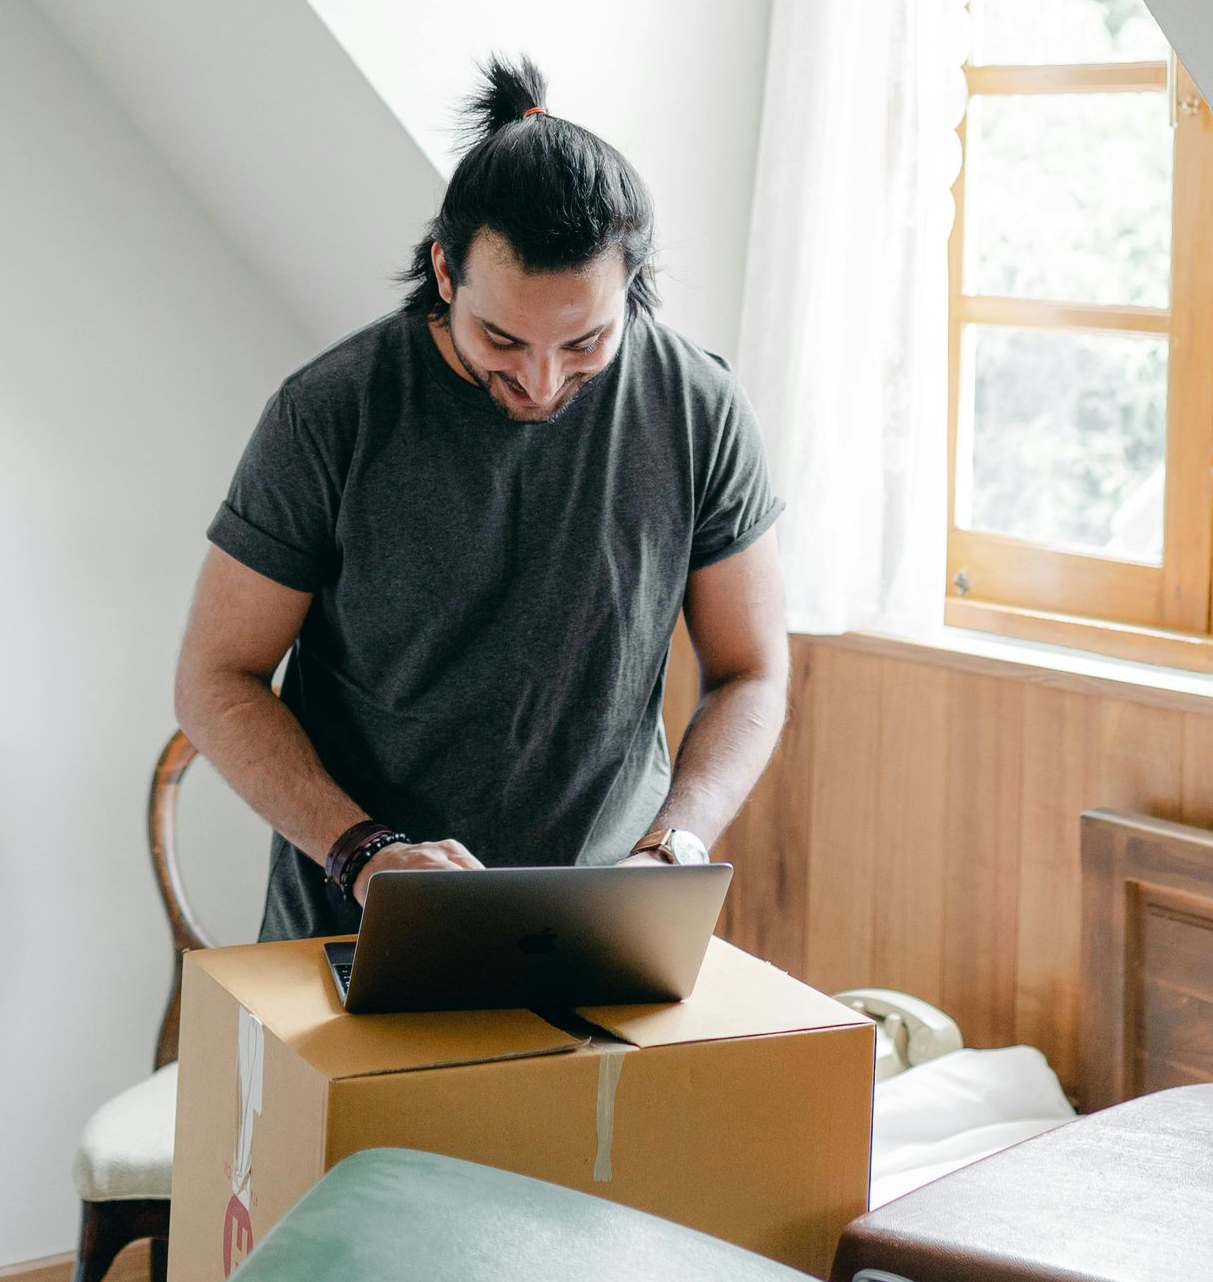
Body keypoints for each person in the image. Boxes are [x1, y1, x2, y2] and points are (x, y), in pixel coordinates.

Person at [175, 55, 789, 936]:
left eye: (585, 342)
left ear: (632, 287)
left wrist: (674, 849)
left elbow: (752, 671)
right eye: (503, 338)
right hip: (353, 922)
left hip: (600, 925)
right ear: (444, 271)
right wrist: (364, 853)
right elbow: (214, 678)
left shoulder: (700, 408)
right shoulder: (332, 411)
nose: (541, 381)